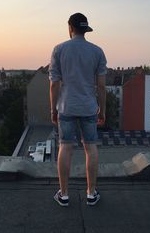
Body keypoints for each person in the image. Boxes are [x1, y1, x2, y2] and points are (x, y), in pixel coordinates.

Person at [49, 13, 107, 207]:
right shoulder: (97, 52)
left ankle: (64, 195)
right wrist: (102, 111)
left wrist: (53, 110)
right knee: (91, 148)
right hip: (89, 107)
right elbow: (101, 86)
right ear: (86, 29)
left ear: (70, 27)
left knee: (65, 147)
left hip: (66, 107)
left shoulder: (59, 50)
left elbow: (54, 85)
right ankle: (91, 194)